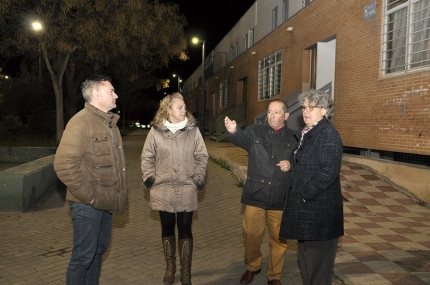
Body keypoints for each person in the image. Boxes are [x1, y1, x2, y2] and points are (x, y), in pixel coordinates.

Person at [54, 75, 128, 285]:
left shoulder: (110, 123)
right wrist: (91, 198)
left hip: (106, 203)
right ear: (96, 94)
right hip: (88, 205)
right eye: (111, 91)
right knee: (82, 257)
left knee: (97, 252)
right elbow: (64, 165)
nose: (116, 95)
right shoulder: (80, 122)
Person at [224, 99, 296, 285]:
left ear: (286, 116)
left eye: (276, 112)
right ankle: (253, 266)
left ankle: (274, 276)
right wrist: (233, 131)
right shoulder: (255, 131)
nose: (271, 116)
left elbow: (303, 161)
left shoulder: (294, 138)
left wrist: (292, 165)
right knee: (251, 235)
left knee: (279, 240)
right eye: (269, 112)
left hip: (280, 198)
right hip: (256, 195)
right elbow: (242, 138)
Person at [141, 93, 208, 285]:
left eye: (184, 106)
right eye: (179, 107)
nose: (184, 110)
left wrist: (197, 178)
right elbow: (147, 157)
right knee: (167, 227)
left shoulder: (193, 131)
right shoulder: (156, 131)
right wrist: (150, 178)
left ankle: (185, 272)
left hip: (187, 187)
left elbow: (202, 156)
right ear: (168, 110)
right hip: (163, 188)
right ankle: (170, 268)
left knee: (185, 229)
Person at [279, 90, 344, 285]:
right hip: (307, 213)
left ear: (324, 111)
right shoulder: (308, 133)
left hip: (320, 214)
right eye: (304, 107)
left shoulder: (328, 134)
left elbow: (329, 172)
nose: (306, 112)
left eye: (311, 107)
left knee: (318, 273)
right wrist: (291, 163)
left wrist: (304, 195)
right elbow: (306, 160)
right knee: (307, 269)